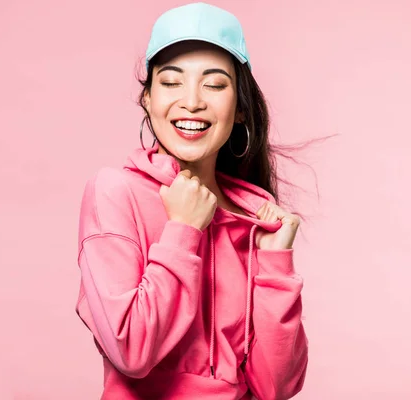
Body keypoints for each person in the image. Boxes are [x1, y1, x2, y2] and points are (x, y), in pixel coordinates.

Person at [74, 2, 308, 399]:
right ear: (147, 98)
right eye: (171, 82)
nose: (192, 101)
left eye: (214, 85)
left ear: (239, 110)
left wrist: (274, 266)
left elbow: (277, 387)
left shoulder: (255, 217)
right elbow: (131, 349)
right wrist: (183, 230)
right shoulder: (115, 192)